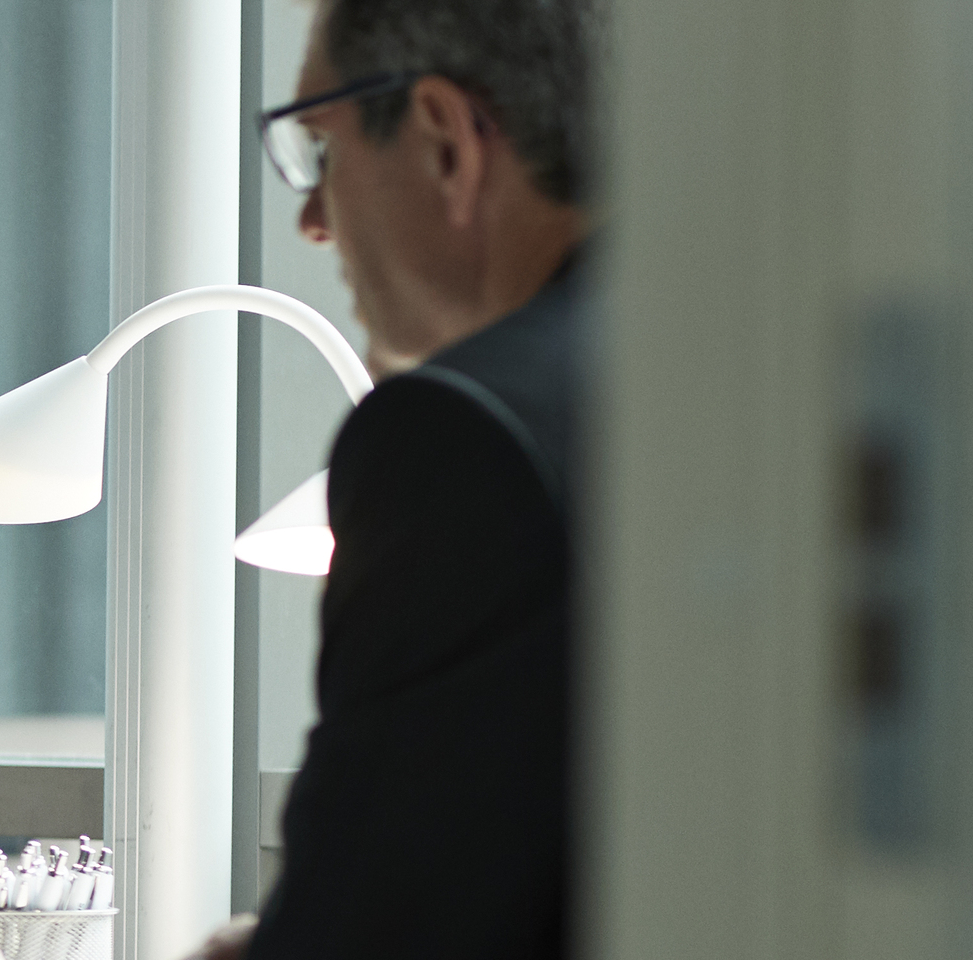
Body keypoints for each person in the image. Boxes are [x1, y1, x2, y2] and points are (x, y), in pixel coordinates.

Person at [201, 0, 599, 957]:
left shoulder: (463, 433)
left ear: (443, 137)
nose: (307, 221)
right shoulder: (757, 376)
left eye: (320, 151)